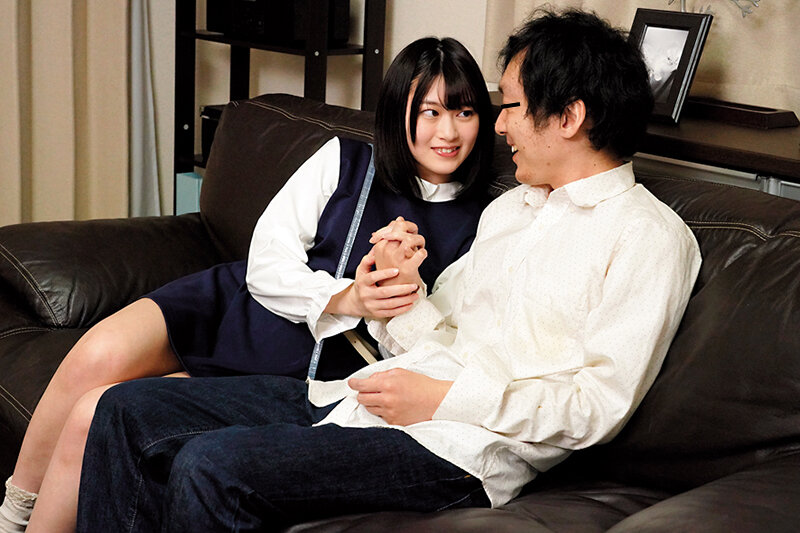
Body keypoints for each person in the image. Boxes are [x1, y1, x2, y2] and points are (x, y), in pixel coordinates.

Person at [75, 9, 702, 532]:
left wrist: (444, 398)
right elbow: (438, 334)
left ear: (568, 117)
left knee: (211, 465)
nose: (499, 123)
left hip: (462, 450)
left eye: (511, 105)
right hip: (369, 397)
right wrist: (400, 288)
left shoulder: (647, 238)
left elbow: (596, 408)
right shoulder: (512, 210)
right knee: (127, 408)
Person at [0, 36, 495, 533]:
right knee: (92, 357)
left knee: (93, 414)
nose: (448, 132)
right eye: (429, 112)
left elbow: (436, 349)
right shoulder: (345, 159)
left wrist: (398, 289)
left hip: (294, 362)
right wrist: (349, 296)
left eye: (465, 112)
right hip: (243, 297)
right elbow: (268, 256)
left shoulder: (486, 224)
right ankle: (12, 516)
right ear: (395, 111)